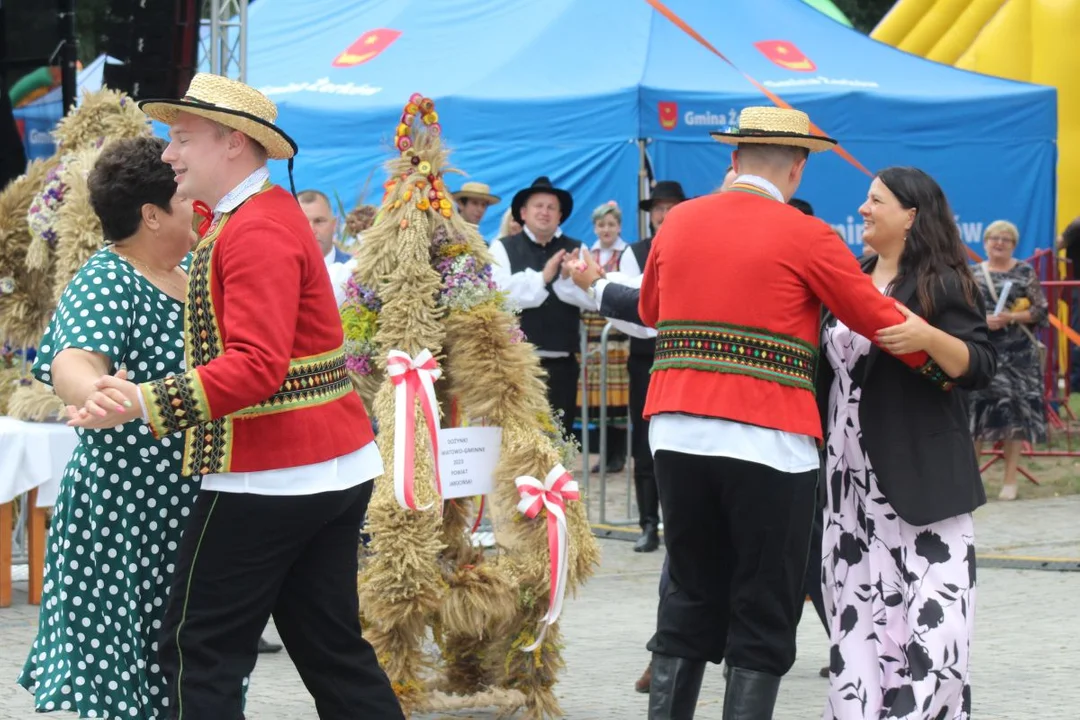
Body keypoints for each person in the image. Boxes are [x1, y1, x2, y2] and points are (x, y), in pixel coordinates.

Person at [67, 73, 403, 719]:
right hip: (325, 463)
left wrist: (142, 401)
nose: (169, 155)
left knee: (200, 649)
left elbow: (256, 368)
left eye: (183, 138)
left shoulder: (257, 231)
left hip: (270, 474)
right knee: (331, 648)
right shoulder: (255, 215)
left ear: (233, 143)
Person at [637, 107, 959, 720]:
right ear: (797, 167)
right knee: (764, 601)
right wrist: (950, 366)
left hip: (675, 431)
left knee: (688, 588)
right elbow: (877, 317)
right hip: (768, 440)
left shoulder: (678, 221)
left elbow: (653, 309)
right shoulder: (807, 236)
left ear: (733, 160)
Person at [18, 136, 198, 718]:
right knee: (130, 681)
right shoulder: (109, 277)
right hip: (125, 517)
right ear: (151, 214)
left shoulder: (194, 269)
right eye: (184, 197)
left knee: (192, 668)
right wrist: (91, 391)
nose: (197, 204)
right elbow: (74, 358)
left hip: (190, 506)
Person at [818, 166, 995, 720]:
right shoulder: (852, 276)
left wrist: (927, 337)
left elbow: (980, 365)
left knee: (934, 625)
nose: (864, 209)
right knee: (858, 617)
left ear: (911, 215)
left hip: (921, 478)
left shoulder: (943, 282)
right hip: (848, 484)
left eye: (876, 200)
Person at [489, 176, 584, 433]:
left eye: (551, 207)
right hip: (517, 362)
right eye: (538, 206)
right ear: (523, 212)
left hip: (562, 362)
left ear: (560, 214)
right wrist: (543, 277)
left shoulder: (576, 248)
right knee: (518, 437)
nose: (544, 212)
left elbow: (591, 298)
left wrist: (567, 279)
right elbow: (499, 295)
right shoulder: (502, 247)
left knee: (559, 437)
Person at [968, 220, 1048, 500]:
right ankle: (972, 481)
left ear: (1013, 245)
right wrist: (983, 321)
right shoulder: (972, 274)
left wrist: (1011, 317)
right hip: (982, 353)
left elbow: (1041, 310)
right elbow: (959, 311)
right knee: (976, 416)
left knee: (1015, 417)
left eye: (1005, 239)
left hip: (1018, 359)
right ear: (985, 242)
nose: (999, 243)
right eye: (994, 238)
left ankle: (1010, 479)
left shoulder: (1024, 271)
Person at [298, 188, 355, 308]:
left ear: (334, 225)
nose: (311, 230)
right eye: (302, 222)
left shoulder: (357, 271)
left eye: (319, 221)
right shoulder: (279, 278)